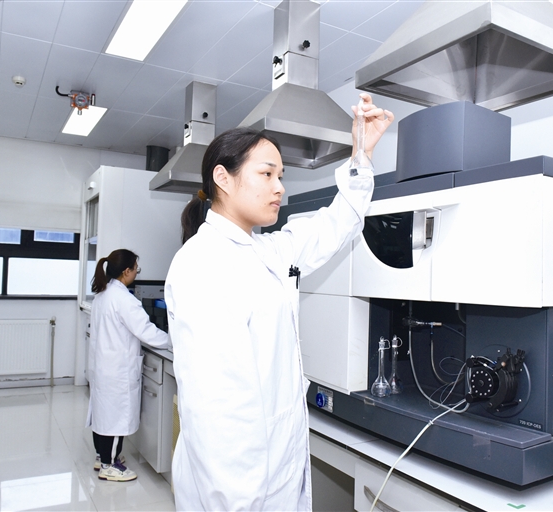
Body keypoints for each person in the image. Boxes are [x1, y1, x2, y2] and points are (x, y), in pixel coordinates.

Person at [165, 92, 393, 510]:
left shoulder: (266, 251)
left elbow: (335, 225)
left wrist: (362, 153)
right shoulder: (204, 265)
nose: (280, 188)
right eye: (267, 174)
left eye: (281, 175)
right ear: (223, 178)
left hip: (275, 471)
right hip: (238, 490)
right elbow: (220, 412)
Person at [85, 248, 171, 482]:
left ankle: (101, 457)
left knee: (103, 416)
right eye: (135, 269)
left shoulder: (103, 295)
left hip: (104, 367)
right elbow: (146, 331)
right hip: (117, 370)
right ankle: (109, 465)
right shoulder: (124, 300)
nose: (136, 273)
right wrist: (173, 341)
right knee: (115, 418)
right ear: (126, 271)